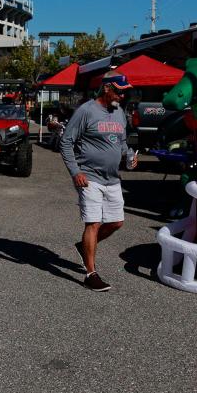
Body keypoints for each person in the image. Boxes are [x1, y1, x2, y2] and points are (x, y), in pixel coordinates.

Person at [59, 70, 137, 292]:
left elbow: (121, 142)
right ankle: (90, 274)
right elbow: (66, 142)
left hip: (112, 179)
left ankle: (83, 247)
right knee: (92, 223)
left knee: (116, 222)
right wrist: (76, 172)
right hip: (89, 178)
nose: (122, 97)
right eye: (119, 92)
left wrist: (129, 155)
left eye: (124, 93)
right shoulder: (86, 111)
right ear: (107, 88)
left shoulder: (119, 112)